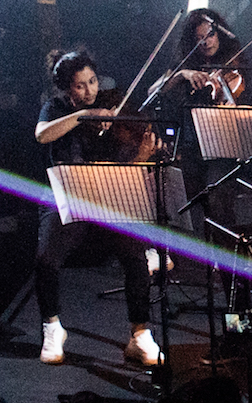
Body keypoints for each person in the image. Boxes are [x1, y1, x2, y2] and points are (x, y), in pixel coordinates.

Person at [31, 51, 162, 368]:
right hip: (68, 195)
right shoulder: (56, 109)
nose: (90, 91)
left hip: (107, 195)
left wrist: (144, 154)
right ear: (67, 90)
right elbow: (42, 134)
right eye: (80, 86)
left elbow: (126, 164)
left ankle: (139, 334)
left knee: (135, 256)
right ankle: (52, 327)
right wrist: (83, 116)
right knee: (46, 259)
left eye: (92, 82)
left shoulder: (113, 104)